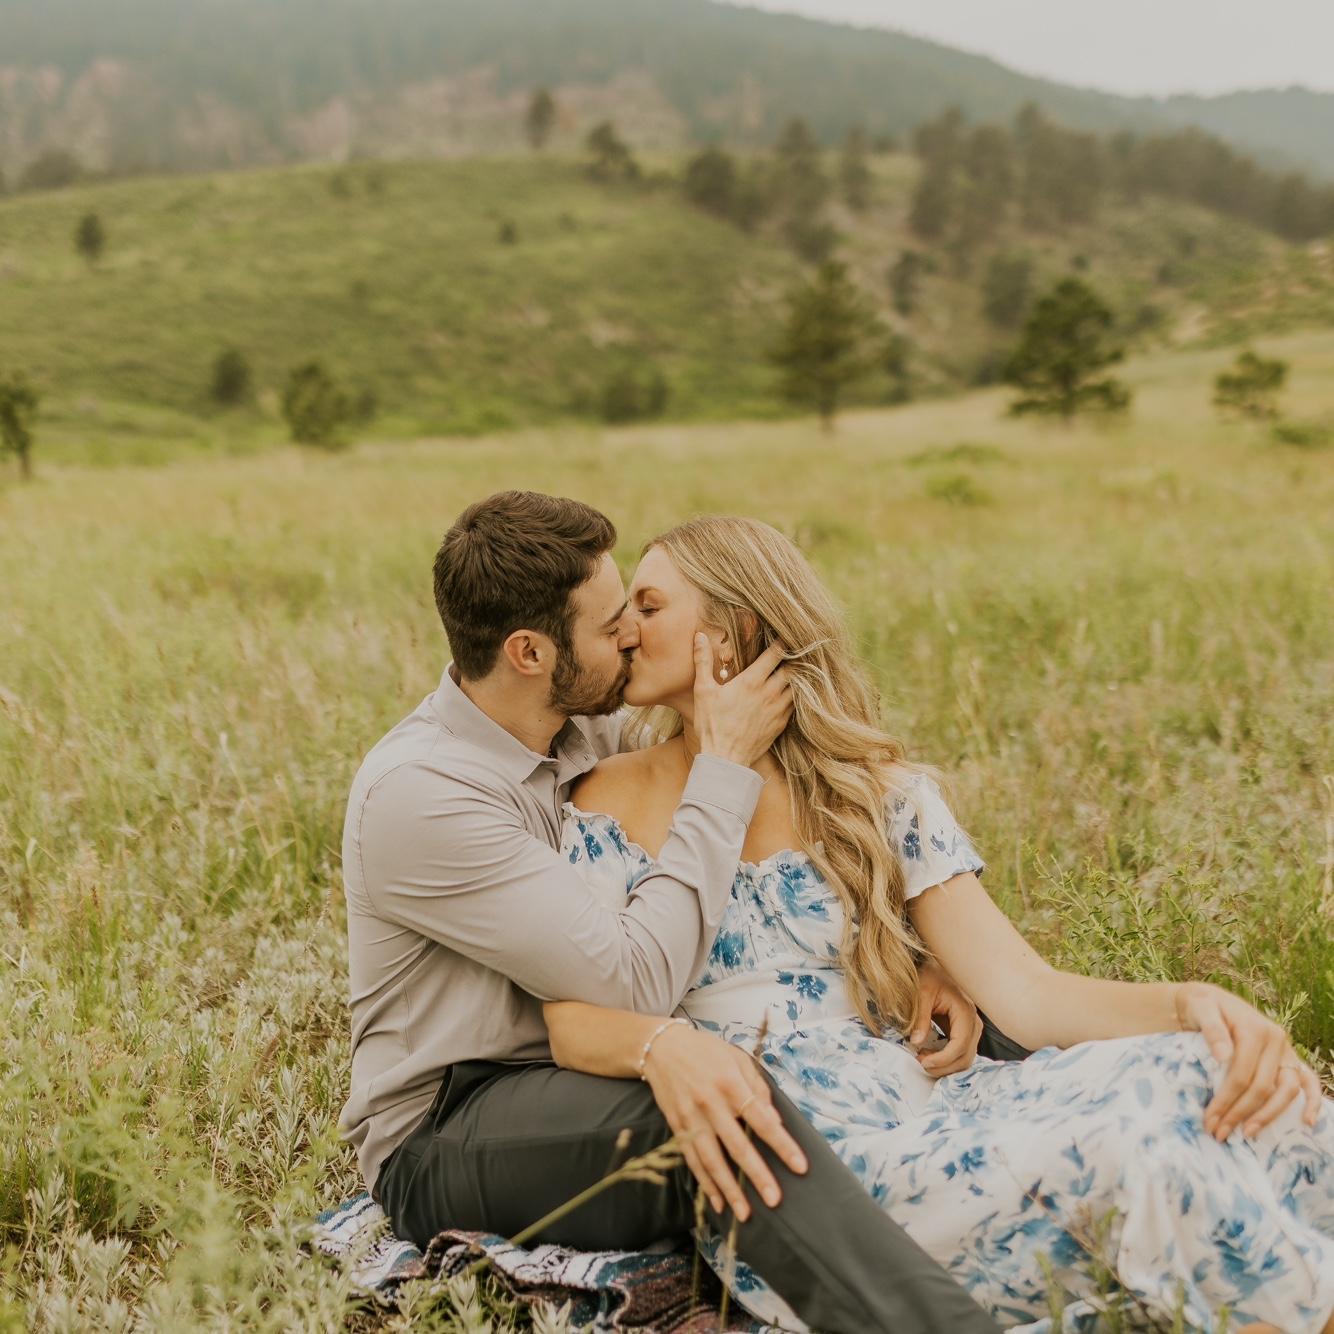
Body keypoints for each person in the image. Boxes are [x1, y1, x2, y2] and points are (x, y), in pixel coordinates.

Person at [543, 515, 1334, 1334]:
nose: (624, 630)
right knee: (1128, 1151)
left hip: (935, 1102)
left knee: (1208, 1069)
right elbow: (573, 1019)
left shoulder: (872, 793)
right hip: (812, 1166)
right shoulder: (609, 800)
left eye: (649, 607)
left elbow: (1026, 994)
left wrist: (1191, 1002)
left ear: (736, 629)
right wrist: (668, 1048)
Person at [339, 490, 1022, 1333]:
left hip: (583, 1068)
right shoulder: (423, 794)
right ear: (529, 652)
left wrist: (920, 955)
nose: (630, 636)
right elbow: (632, 982)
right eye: (609, 626)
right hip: (458, 1117)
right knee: (719, 1111)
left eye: (636, 611)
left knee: (981, 1025)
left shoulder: (578, 727)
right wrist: (721, 771)